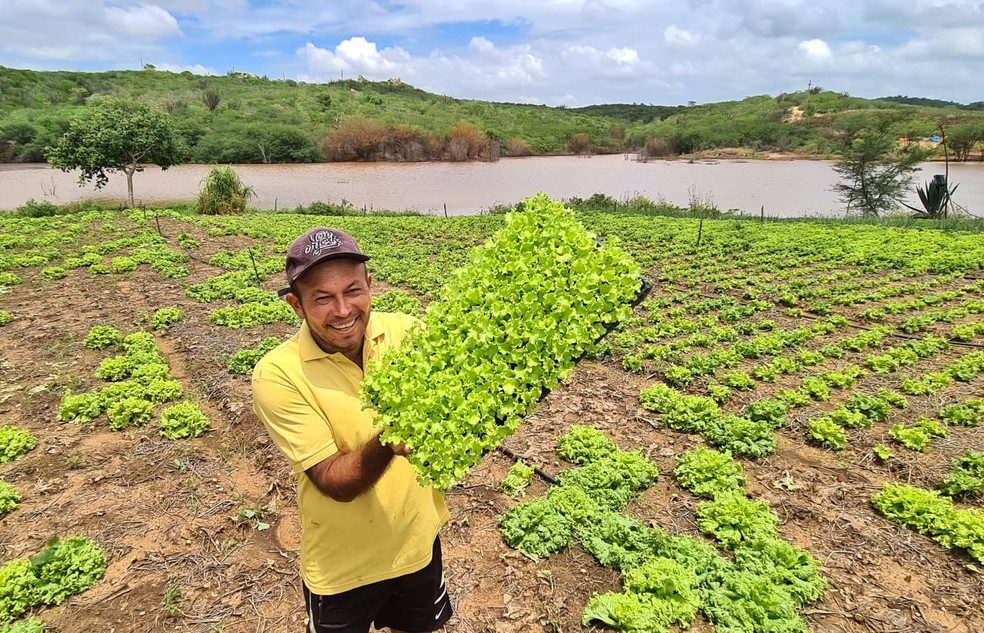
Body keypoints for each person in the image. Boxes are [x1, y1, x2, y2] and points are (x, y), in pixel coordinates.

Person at [252, 227, 451, 633]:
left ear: (370, 286)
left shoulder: (407, 332)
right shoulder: (278, 374)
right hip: (342, 568)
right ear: (297, 305)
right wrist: (388, 439)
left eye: (353, 291)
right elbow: (333, 481)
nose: (342, 310)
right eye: (322, 298)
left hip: (417, 547)